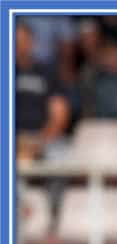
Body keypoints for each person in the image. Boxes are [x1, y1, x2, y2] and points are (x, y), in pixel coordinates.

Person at [15, 21, 71, 167]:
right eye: (14, 41)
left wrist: (38, 142)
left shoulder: (47, 72)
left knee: (63, 156)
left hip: (42, 139)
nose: (19, 46)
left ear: (31, 43)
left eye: (23, 40)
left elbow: (59, 114)